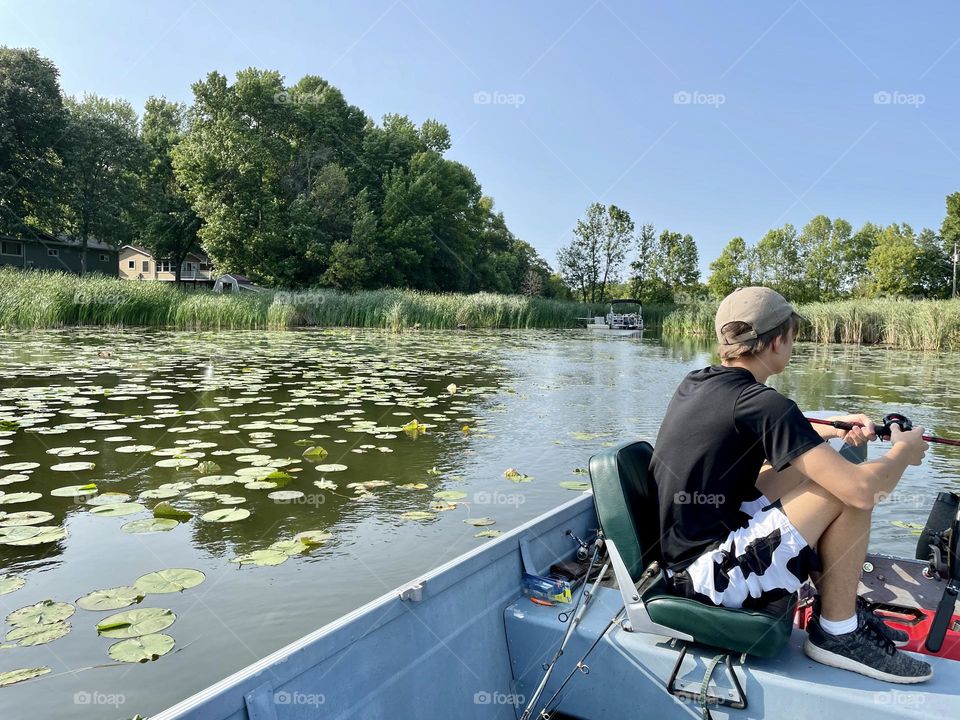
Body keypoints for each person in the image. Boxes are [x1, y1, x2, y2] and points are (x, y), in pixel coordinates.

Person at [650, 286, 932, 683]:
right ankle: (837, 633)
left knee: (824, 469)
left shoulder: (697, 383)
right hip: (707, 579)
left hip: (685, 557)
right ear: (779, 340)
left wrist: (835, 428)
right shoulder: (765, 404)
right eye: (793, 336)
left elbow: (774, 427)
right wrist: (902, 451)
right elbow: (861, 490)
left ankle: (841, 607)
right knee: (848, 489)